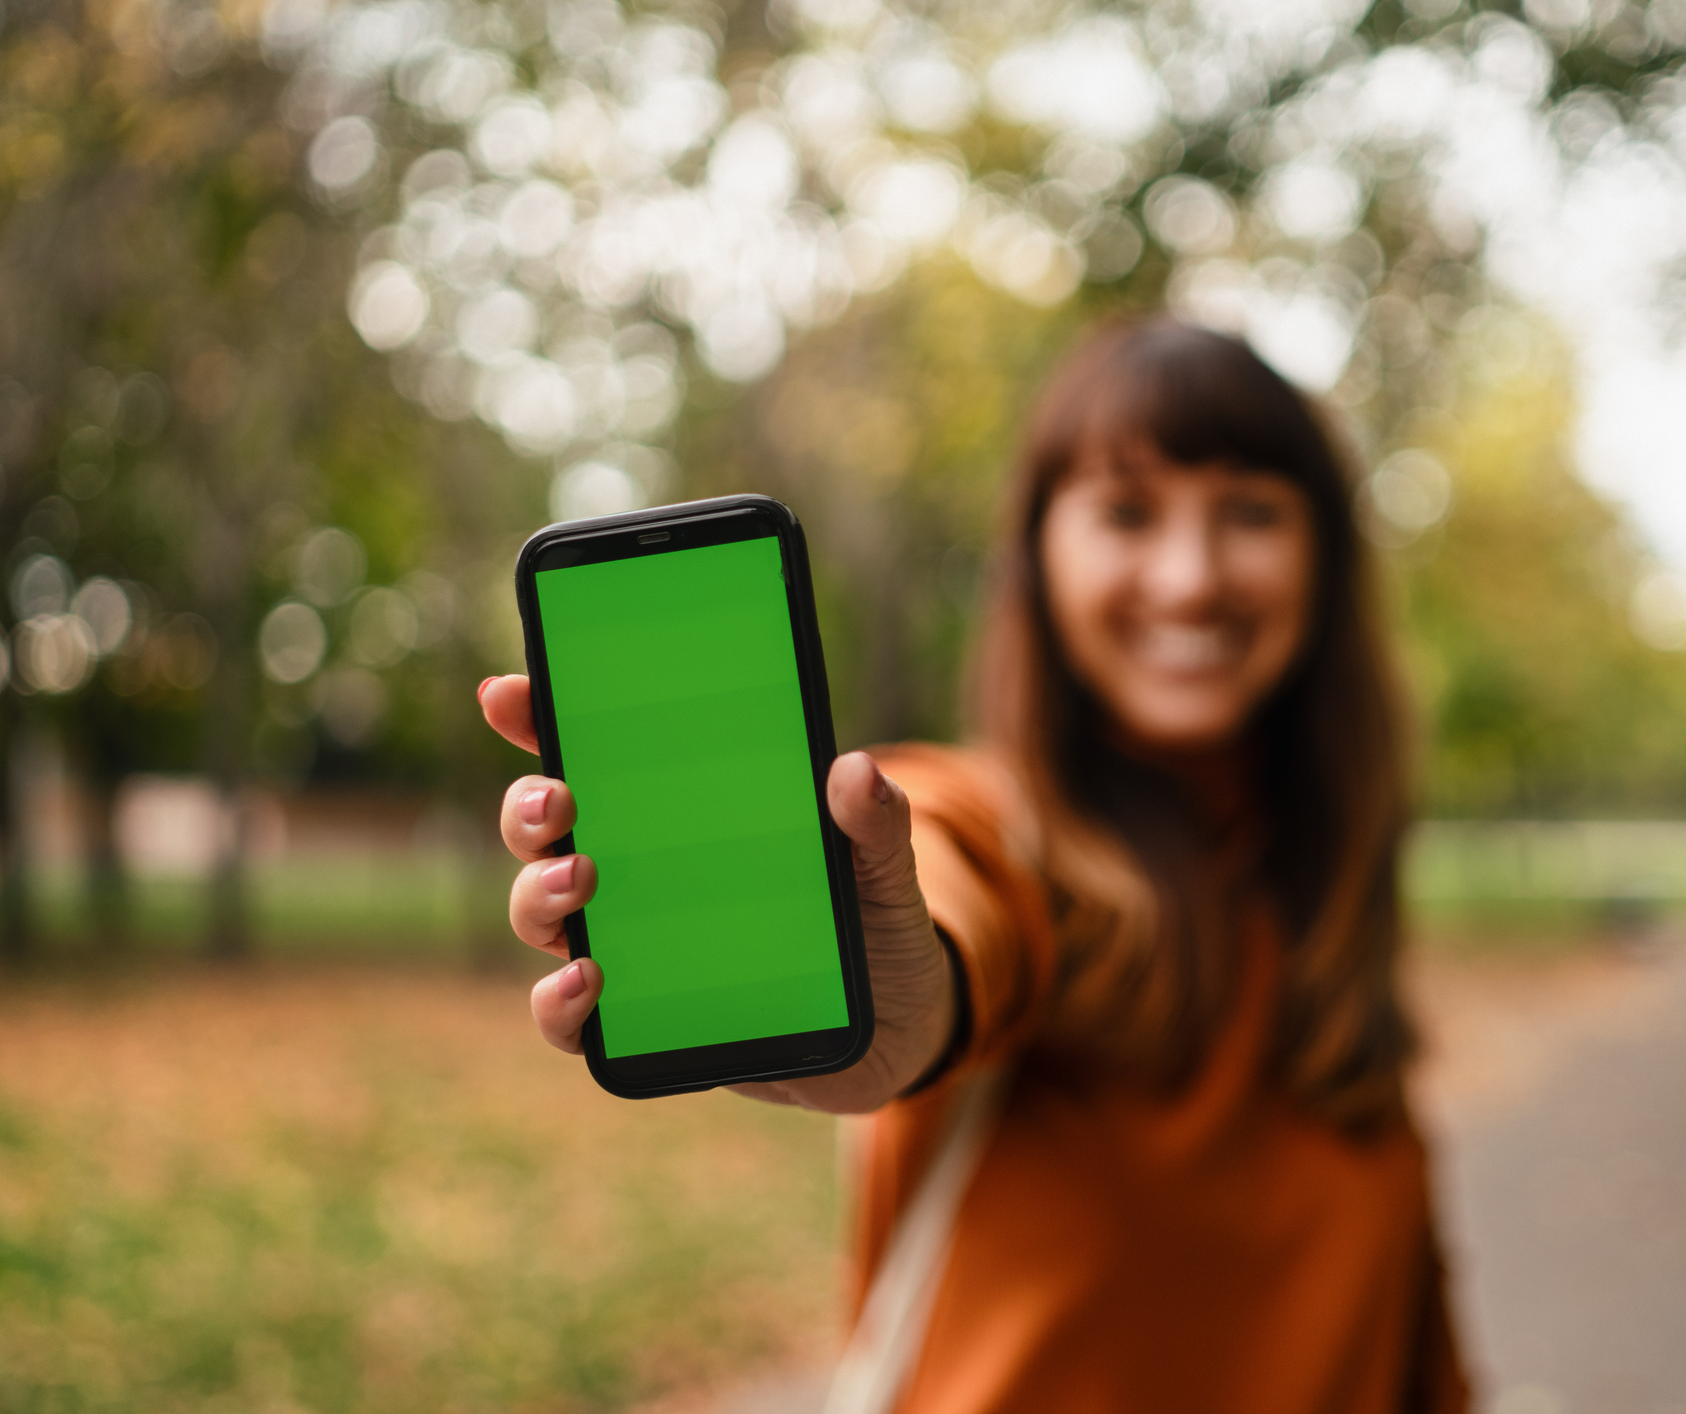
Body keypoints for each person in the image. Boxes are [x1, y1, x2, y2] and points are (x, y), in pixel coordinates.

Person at [477, 318, 1471, 1413]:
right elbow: (950, 886)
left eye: (1248, 513)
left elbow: (1411, 1335)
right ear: (1036, 558)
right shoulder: (992, 825)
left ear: (1325, 557)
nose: (1190, 577)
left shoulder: (1327, 892)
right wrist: (906, 995)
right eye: (1127, 511)